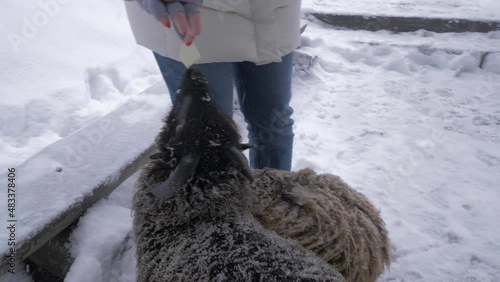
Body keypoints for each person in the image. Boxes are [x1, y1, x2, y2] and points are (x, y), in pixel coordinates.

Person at [124, 0, 301, 171]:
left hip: (272, 12)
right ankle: (217, 200)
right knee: (205, 136)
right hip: (194, 15)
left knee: (275, 124)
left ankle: (273, 195)